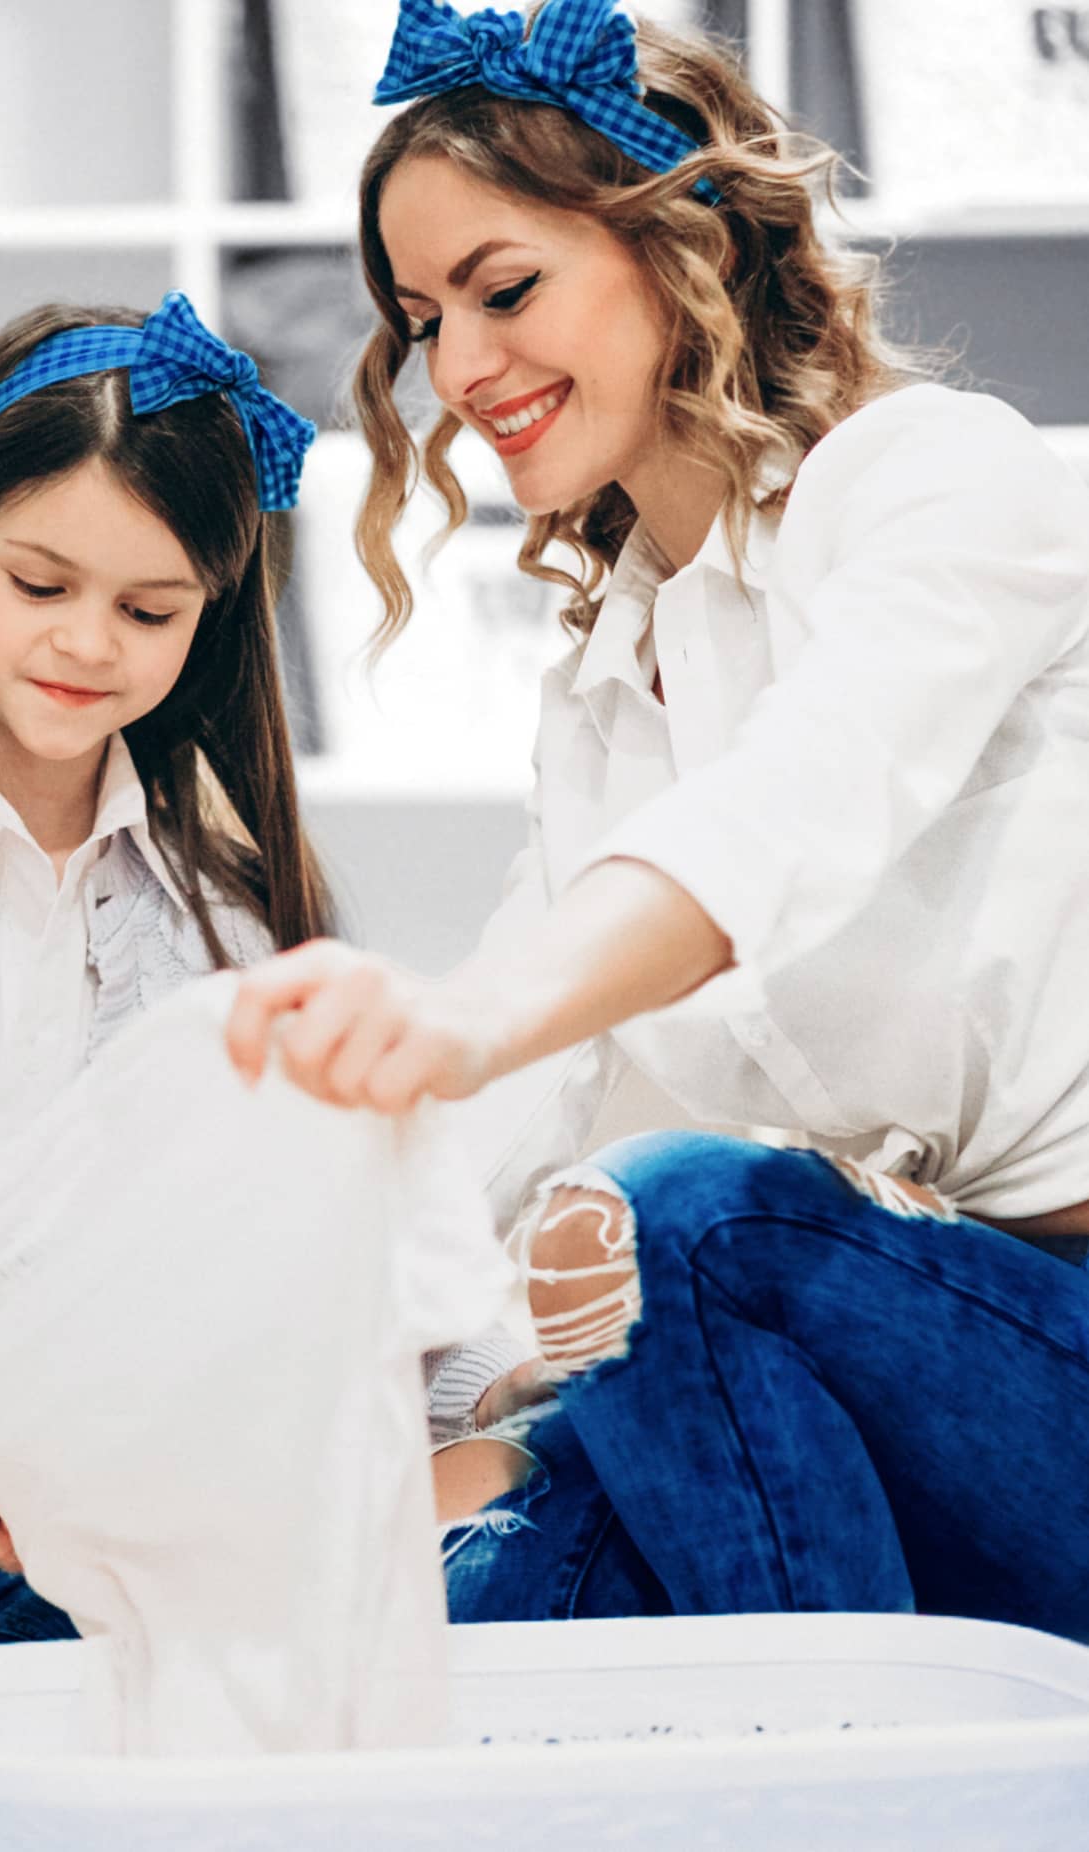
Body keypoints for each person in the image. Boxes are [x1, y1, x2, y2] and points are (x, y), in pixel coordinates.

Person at [226, 0, 1089, 1635]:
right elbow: (507, 1116)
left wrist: (475, 1016)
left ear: (681, 241)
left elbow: (805, 795)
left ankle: (844, 1762)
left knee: (661, 1219)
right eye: (420, 318)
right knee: (457, 1599)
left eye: (503, 290)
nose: (456, 370)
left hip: (1042, 1359)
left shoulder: (936, 479)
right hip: (856, 1367)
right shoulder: (607, 679)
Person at [0, 290, 518, 1851]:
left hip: (100, 1531)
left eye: (149, 610)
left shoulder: (236, 916)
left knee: (215, 1734)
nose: (85, 642)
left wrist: (494, 1389)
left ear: (212, 618)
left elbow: (337, 1245)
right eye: (39, 583)